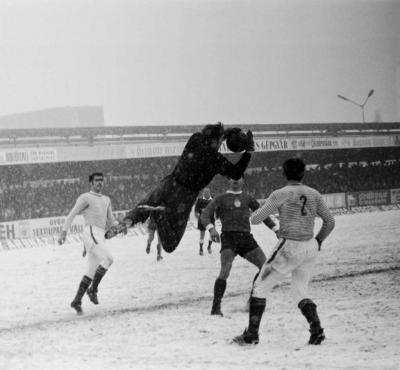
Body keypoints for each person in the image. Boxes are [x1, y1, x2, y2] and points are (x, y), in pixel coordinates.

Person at [105, 122, 254, 254]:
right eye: (220, 142)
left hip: (169, 184)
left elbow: (208, 137)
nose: (221, 145)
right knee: (170, 244)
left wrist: (225, 133)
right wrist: (248, 151)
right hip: (184, 197)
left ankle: (128, 221)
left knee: (144, 205)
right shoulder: (216, 160)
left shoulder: (195, 139)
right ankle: (159, 215)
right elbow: (236, 173)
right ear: (216, 139)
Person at [232, 158, 335, 346]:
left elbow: (256, 219)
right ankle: (316, 329)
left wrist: (260, 209)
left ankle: (251, 335)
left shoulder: (281, 193)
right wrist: (318, 240)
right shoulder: (314, 194)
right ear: (303, 173)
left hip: (290, 245)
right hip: (309, 246)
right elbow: (330, 221)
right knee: (299, 290)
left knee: (260, 287)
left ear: (284, 173)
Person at [201, 177, 278, 317]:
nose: (235, 180)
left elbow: (262, 215)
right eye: (233, 178)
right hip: (228, 237)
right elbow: (205, 215)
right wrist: (211, 229)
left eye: (238, 178)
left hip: (245, 238)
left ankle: (252, 301)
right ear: (229, 181)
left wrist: (275, 229)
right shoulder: (221, 198)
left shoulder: (248, 198)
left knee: (265, 267)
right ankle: (215, 308)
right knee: (225, 270)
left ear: (243, 181)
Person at [58, 172, 121, 315]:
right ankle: (93, 289)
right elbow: (72, 214)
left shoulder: (106, 199)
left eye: (101, 181)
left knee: (91, 271)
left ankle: (76, 301)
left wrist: (120, 226)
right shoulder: (86, 197)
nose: (100, 183)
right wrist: (64, 231)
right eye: (97, 181)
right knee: (109, 259)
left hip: (100, 235)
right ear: (91, 183)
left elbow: (111, 219)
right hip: (90, 232)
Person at [194, 187, 214, 256]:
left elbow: (217, 207)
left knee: (212, 234)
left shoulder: (213, 199)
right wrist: (197, 214)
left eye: (207, 192)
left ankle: (209, 246)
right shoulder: (199, 200)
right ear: (203, 193)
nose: (206, 193)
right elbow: (196, 209)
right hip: (202, 220)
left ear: (209, 193)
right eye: (204, 192)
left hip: (211, 220)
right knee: (202, 235)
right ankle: (201, 249)